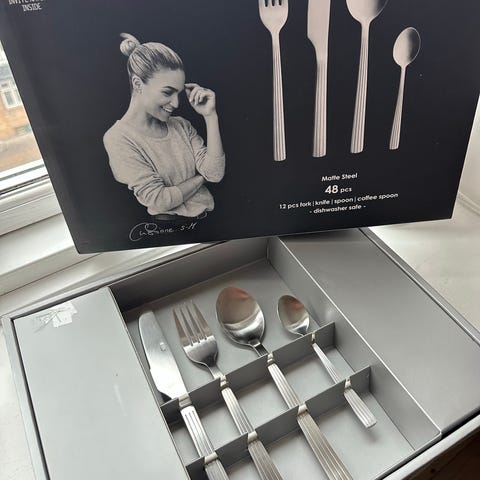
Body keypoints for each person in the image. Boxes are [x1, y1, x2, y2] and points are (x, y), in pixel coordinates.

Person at [103, 33, 225, 225]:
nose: (176, 103)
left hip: (211, 222)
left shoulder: (181, 125)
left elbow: (215, 173)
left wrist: (210, 116)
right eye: (168, 92)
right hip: (170, 229)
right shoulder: (118, 138)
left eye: (178, 93)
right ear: (137, 84)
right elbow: (159, 201)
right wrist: (202, 178)